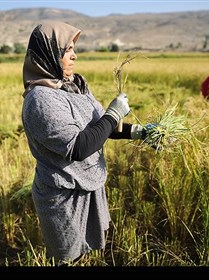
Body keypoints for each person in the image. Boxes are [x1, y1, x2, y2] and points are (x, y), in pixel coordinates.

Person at [21, 21, 152, 265]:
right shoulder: (41, 99)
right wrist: (114, 113)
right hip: (64, 195)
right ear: (47, 54)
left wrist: (140, 132)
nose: (74, 55)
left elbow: (100, 129)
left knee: (88, 253)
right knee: (68, 257)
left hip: (90, 185)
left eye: (73, 48)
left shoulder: (75, 85)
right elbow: (79, 147)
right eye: (66, 50)